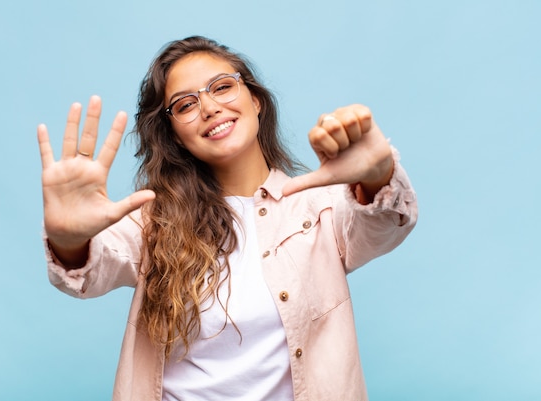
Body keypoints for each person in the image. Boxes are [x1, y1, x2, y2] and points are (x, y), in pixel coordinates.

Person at [37, 36, 417, 401]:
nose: (209, 108)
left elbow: (383, 225)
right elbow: (89, 272)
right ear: (175, 135)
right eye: (185, 105)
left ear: (255, 101)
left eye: (221, 87)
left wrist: (377, 175)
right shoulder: (152, 221)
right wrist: (69, 239)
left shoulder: (318, 207)